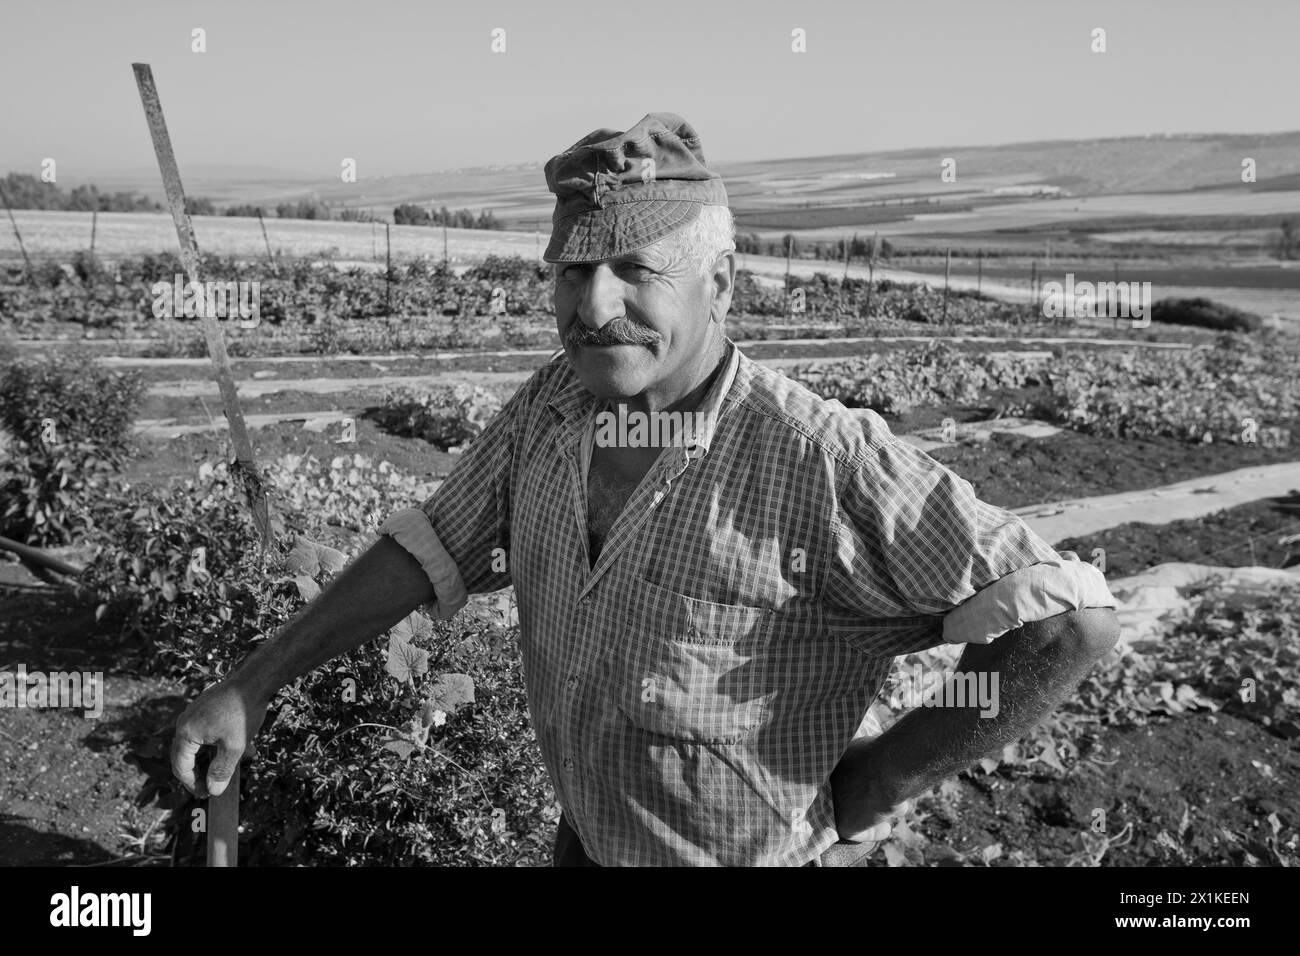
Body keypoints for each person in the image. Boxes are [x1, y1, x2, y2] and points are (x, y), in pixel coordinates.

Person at [171, 112, 1119, 867]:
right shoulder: (552, 407)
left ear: (723, 282)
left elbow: (1066, 620)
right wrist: (251, 685)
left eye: (635, 270)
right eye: (575, 270)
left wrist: (872, 786)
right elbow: (430, 545)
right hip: (584, 839)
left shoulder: (818, 461)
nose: (594, 306)